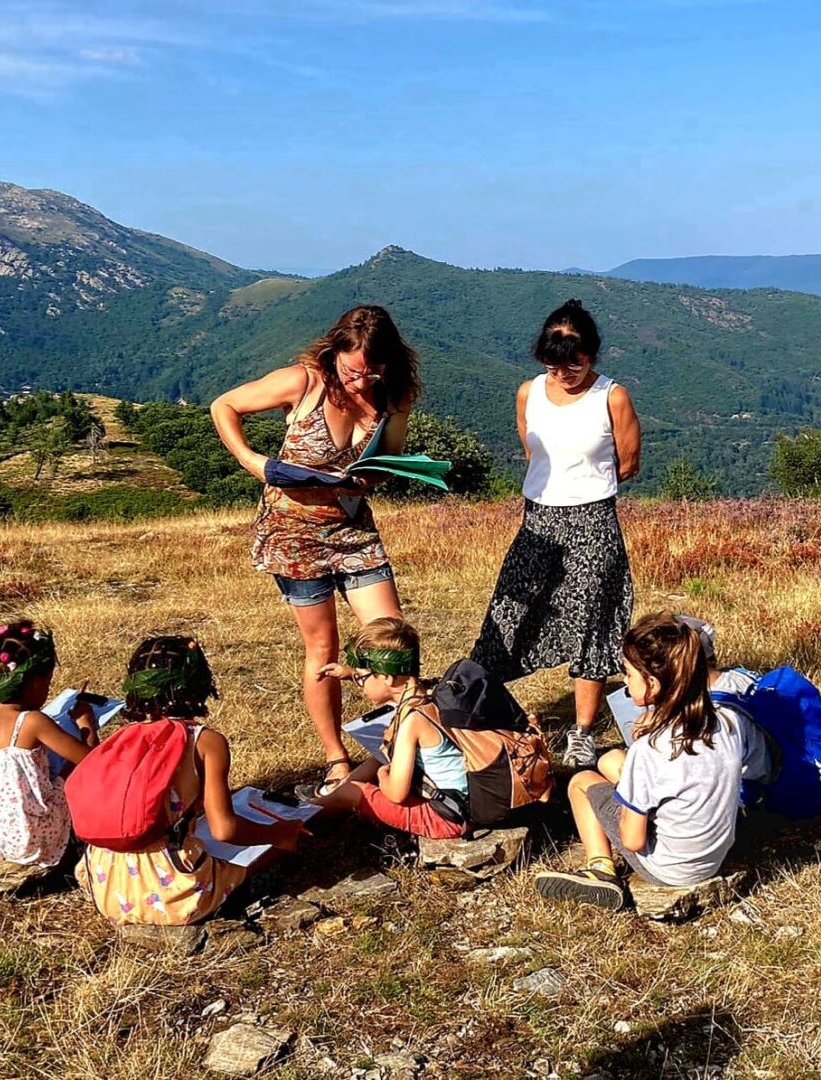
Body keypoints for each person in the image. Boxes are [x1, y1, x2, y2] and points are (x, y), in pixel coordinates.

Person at [211, 305, 422, 796]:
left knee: (391, 637)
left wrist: (376, 473)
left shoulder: (395, 394)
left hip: (352, 526)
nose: (362, 380)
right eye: (352, 370)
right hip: (293, 532)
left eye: (373, 370)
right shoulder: (302, 382)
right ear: (335, 354)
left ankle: (406, 738)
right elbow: (225, 405)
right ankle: (335, 756)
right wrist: (253, 461)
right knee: (322, 647)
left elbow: (387, 456)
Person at [472, 299, 641, 768]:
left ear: (592, 354)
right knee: (509, 612)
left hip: (593, 520)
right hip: (538, 519)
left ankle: (582, 731)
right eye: (554, 363)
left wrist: (584, 487)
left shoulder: (612, 396)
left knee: (594, 620)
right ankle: (487, 714)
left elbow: (628, 463)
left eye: (575, 362)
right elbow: (533, 450)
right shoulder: (529, 392)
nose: (564, 372)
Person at [76, 636, 306, 926]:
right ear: (198, 684)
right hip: (176, 894)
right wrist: (279, 834)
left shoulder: (120, 740)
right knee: (270, 848)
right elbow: (225, 829)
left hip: (105, 885)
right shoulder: (205, 741)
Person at [534, 613, 744, 909]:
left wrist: (622, 806)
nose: (624, 680)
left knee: (582, 782)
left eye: (628, 674)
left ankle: (600, 869)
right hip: (713, 854)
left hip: (669, 867)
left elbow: (632, 840)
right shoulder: (727, 722)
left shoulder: (650, 749)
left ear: (653, 684)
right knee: (613, 760)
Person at [312, 618, 468, 839]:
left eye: (361, 678)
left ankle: (299, 819)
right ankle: (327, 797)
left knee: (353, 791)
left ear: (387, 677)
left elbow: (396, 794)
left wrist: (382, 774)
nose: (359, 685)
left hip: (446, 817)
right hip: (463, 802)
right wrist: (350, 673)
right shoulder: (427, 695)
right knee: (380, 755)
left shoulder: (411, 721)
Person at [0, 620, 96, 868]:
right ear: (34, 682)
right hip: (29, 843)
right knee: (70, 773)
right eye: (47, 682)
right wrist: (87, 724)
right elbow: (92, 761)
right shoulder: (33, 722)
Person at [675, 614, 775, 790]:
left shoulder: (707, 715)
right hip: (769, 775)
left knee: (613, 764)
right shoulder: (740, 676)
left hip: (744, 799)